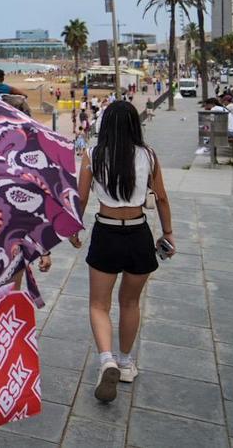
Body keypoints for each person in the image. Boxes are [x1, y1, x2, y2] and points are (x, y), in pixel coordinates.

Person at [69, 100, 174, 404]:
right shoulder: (149, 156)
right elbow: (163, 199)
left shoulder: (92, 154)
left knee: (99, 304)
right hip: (139, 233)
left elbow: (82, 197)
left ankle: (107, 361)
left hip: (107, 231)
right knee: (130, 302)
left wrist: (75, 229)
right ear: (134, 125)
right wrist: (167, 234)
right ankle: (126, 363)